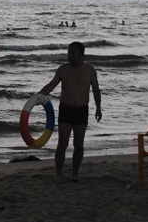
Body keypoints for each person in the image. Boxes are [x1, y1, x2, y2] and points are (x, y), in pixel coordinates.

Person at [37, 42, 102, 181]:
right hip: (66, 109)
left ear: (81, 55)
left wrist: (98, 108)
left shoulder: (90, 70)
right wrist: (38, 96)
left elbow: (96, 90)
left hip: (81, 110)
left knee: (78, 144)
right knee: (62, 143)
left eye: (73, 53)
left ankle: (75, 173)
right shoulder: (63, 70)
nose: (70, 55)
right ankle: (58, 173)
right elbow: (52, 84)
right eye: (69, 52)